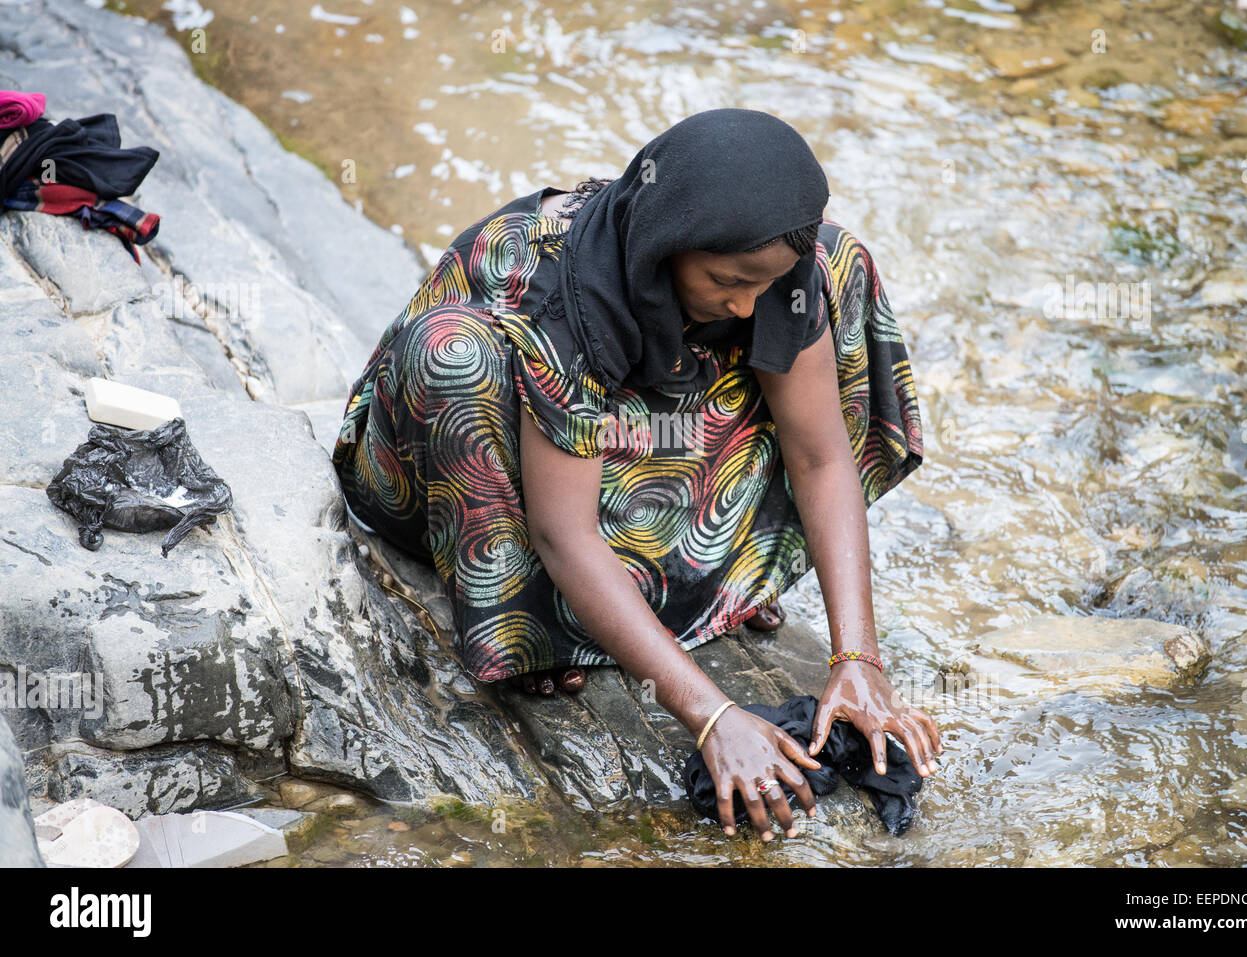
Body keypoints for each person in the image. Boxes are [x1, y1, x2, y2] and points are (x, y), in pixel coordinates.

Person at [332, 108, 940, 841]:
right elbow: (562, 533)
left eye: (761, 284)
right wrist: (712, 715)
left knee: (843, 261)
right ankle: (536, 621)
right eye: (726, 279)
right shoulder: (559, 287)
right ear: (667, 244)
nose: (746, 303)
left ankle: (702, 582)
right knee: (453, 353)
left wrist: (857, 657)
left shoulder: (778, 276)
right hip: (465, 458)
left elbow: (818, 455)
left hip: (620, 433)